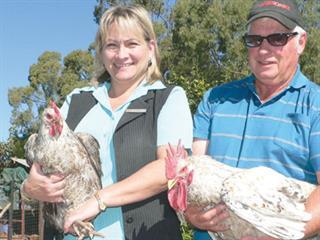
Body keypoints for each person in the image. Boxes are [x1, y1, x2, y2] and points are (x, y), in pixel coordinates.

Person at [21, 5, 193, 240]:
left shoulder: (167, 99)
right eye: (112, 45)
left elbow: (169, 169)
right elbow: (45, 158)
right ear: (101, 52)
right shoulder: (77, 100)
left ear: (150, 48)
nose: (121, 55)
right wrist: (29, 188)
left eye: (132, 44)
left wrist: (99, 200)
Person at [186, 0, 320, 239]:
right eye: (254, 40)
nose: (264, 49)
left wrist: (278, 235)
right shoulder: (215, 99)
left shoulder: (316, 104)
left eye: (278, 38)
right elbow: (193, 173)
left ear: (301, 42)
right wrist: (190, 212)